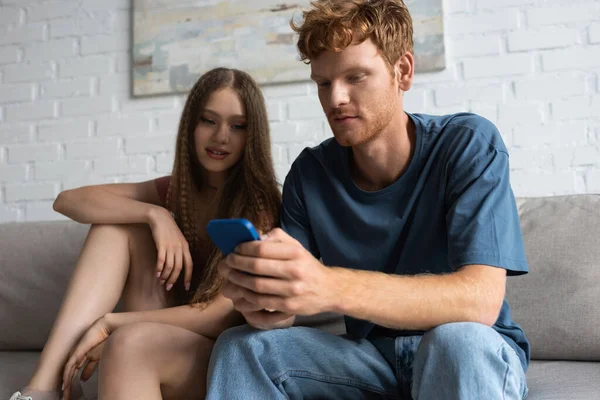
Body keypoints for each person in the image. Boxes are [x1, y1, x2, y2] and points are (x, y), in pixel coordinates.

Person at [205, 1, 530, 399]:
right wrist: (265, 301)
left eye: (355, 76)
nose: (335, 98)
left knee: (456, 341)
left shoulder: (467, 144)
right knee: (242, 347)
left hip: (467, 350)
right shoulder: (310, 174)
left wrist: (328, 285)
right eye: (323, 83)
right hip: (370, 359)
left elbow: (479, 301)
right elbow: (285, 312)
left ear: (403, 71)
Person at [9, 67, 281, 400]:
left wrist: (112, 323)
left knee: (130, 339)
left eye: (237, 126)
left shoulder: (261, 205)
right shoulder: (176, 191)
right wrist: (155, 214)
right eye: (208, 121)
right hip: (154, 340)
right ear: (190, 126)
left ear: (252, 135)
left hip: (218, 355)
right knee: (115, 227)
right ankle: (44, 388)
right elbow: (67, 201)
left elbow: (217, 315)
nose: (221, 137)